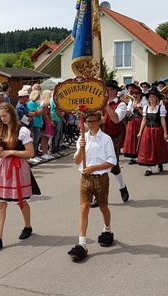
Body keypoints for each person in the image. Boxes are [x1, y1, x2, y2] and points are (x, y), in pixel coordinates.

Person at [0, 103, 36, 251]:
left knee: (21, 200)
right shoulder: (1, 130)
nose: (2, 119)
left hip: (18, 167)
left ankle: (27, 226)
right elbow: (1, 153)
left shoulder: (22, 131)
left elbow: (30, 153)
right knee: (0, 203)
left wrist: (11, 152)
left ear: (11, 115)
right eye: (0, 116)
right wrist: (0, 151)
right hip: (3, 167)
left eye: (4, 116)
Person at [68, 111, 117, 261]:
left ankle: (107, 230)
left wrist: (94, 168)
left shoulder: (106, 139)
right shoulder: (83, 138)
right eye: (88, 121)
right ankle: (82, 243)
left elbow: (111, 161)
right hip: (85, 178)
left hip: (101, 178)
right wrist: (81, 148)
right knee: (84, 208)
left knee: (103, 206)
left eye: (94, 121)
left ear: (99, 121)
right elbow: (77, 161)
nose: (91, 124)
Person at [93, 80, 129, 206]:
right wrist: (98, 120)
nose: (105, 92)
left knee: (113, 166)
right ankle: (98, 196)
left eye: (108, 89)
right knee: (98, 166)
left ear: (114, 91)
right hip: (99, 138)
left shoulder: (121, 105)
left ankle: (122, 186)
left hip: (113, 138)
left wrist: (106, 106)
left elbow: (116, 119)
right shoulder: (98, 104)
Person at [137, 87, 168, 176]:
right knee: (147, 149)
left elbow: (163, 120)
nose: (151, 98)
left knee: (158, 147)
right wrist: (140, 132)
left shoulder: (161, 107)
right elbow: (144, 120)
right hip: (148, 130)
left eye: (153, 97)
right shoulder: (146, 108)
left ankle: (160, 162)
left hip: (157, 130)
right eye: (150, 97)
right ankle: (149, 169)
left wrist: (165, 133)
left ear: (157, 98)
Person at [122, 87, 144, 165]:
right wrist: (129, 110)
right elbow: (128, 111)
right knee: (131, 138)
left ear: (140, 95)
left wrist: (137, 108)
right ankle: (133, 157)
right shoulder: (132, 101)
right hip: (132, 121)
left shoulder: (144, 102)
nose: (135, 95)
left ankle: (142, 155)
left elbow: (144, 113)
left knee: (141, 138)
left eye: (137, 94)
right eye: (135, 94)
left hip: (140, 120)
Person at [27, 90, 43, 164]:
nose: (39, 97)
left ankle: (35, 154)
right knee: (34, 140)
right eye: (38, 95)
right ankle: (32, 155)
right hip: (35, 123)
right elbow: (38, 113)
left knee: (37, 140)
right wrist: (43, 108)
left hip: (39, 123)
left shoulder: (37, 103)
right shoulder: (31, 103)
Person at [39, 90, 54, 161]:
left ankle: (46, 153)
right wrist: (50, 121)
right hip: (46, 121)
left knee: (47, 138)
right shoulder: (44, 103)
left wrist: (51, 120)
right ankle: (44, 153)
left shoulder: (48, 104)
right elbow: (45, 114)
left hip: (49, 120)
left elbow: (49, 113)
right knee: (44, 137)